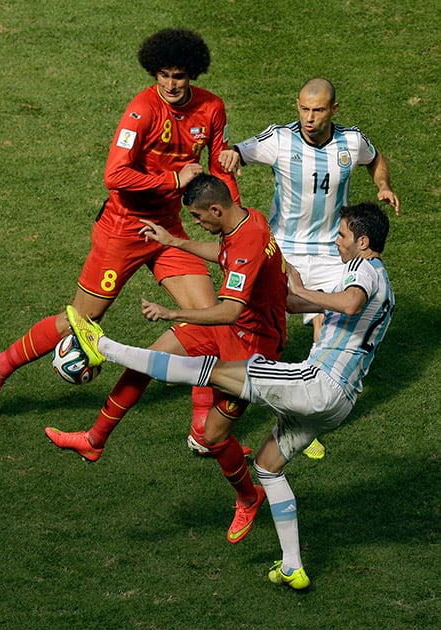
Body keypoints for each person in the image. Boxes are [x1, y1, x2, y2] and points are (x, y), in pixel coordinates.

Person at [64, 200, 395, 590]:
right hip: (337, 404)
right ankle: (293, 566)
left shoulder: (366, 271)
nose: (336, 241)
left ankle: (103, 345)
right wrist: (290, 296)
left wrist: (305, 290)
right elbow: (331, 307)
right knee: (268, 466)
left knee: (211, 371)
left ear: (363, 240)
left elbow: (350, 302)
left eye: (342, 235)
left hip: (318, 383)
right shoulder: (376, 280)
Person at [0, 29, 240, 430]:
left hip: (166, 228)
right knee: (80, 320)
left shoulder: (212, 108)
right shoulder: (142, 110)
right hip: (123, 229)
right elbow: (114, 175)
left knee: (208, 315)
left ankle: (204, 427)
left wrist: (232, 218)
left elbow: (219, 167)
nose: (169, 84)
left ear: (192, 74)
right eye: (162, 75)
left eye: (178, 76)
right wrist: (173, 182)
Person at [46, 173, 288, 545]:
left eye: (195, 217)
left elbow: (229, 312)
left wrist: (171, 312)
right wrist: (174, 241)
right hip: (232, 330)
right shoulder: (247, 220)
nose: (195, 223)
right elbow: (223, 254)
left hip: (250, 351)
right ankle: (95, 439)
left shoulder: (247, 244)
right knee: (148, 359)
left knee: (213, 436)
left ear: (216, 209)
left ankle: (248, 498)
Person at [219, 77, 400, 460]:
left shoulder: (351, 142)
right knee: (265, 324)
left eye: (318, 110)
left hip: (335, 251)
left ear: (334, 110)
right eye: (303, 108)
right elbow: (241, 151)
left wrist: (382, 185)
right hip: (284, 248)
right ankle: (227, 393)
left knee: (328, 328)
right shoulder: (281, 140)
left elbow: (376, 158)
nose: (309, 117)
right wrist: (233, 154)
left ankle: (305, 412)